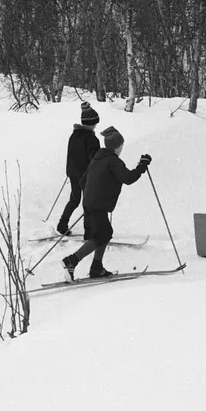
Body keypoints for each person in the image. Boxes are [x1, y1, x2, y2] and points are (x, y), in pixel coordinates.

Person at [62, 127, 151, 281]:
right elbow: (128, 178)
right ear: (117, 146)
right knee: (103, 235)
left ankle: (97, 267)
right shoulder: (113, 161)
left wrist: (95, 191)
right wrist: (142, 166)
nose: (122, 148)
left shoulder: (97, 159)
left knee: (104, 234)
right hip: (99, 205)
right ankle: (72, 261)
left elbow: (83, 181)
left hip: (90, 203)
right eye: (121, 146)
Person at [56, 102, 101, 236]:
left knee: (75, 199)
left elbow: (71, 154)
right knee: (88, 202)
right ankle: (89, 231)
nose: (96, 126)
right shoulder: (92, 139)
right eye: (95, 123)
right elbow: (95, 160)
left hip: (73, 173)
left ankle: (62, 224)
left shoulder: (74, 135)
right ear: (92, 123)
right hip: (86, 175)